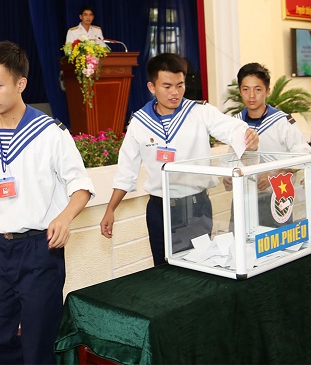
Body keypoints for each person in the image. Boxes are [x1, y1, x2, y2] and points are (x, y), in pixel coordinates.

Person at [0, 41, 94, 364]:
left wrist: (64, 217)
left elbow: (81, 187)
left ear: (20, 83)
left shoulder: (50, 133)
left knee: (38, 347)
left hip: (40, 252)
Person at [99, 53, 259, 266]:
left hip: (196, 208)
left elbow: (232, 128)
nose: (175, 92)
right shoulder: (140, 122)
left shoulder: (200, 112)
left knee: (199, 269)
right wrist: (110, 209)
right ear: (152, 87)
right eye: (167, 86)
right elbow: (126, 171)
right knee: (162, 270)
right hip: (159, 209)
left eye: (180, 85)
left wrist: (248, 136)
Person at [233, 63, 311, 228]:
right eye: (246, 89)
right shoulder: (235, 123)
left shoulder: (282, 122)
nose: (251, 95)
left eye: (258, 89)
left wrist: (276, 173)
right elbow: (230, 158)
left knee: (277, 242)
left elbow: (305, 155)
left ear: (267, 91)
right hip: (242, 199)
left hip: (276, 199)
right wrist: (228, 177)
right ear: (240, 91)